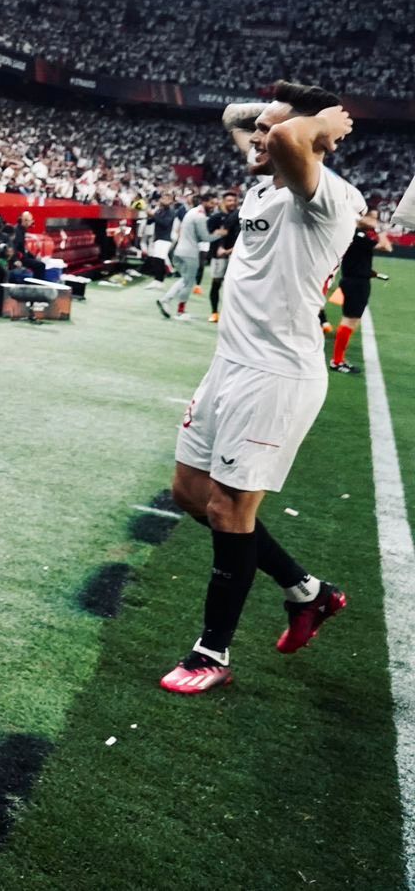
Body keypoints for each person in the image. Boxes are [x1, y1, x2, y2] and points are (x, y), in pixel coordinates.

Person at [161, 84, 362, 695]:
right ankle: (308, 592)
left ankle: (211, 652)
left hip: (276, 375)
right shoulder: (265, 184)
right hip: (230, 365)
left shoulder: (325, 197)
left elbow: (289, 136)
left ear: (308, 140)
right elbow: (236, 118)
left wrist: (322, 123)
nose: (256, 139)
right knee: (191, 494)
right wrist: (272, 116)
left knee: (230, 509)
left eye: (269, 132)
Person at [328, 207, 385, 375]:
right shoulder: (358, 235)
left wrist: (368, 271)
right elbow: (386, 246)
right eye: (372, 218)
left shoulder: (353, 234)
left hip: (353, 280)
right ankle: (337, 361)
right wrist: (380, 229)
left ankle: (338, 359)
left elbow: (355, 260)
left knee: (351, 320)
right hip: (356, 283)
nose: (374, 221)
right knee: (349, 321)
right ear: (362, 218)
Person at [158, 190, 215, 320]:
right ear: (204, 202)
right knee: (188, 282)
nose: (213, 206)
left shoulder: (191, 212)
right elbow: (204, 237)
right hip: (189, 252)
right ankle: (179, 310)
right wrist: (220, 234)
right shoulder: (199, 215)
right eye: (212, 203)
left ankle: (166, 300)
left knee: (185, 279)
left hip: (180, 250)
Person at [205, 188, 240, 323]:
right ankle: (214, 312)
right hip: (219, 256)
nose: (232, 203)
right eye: (229, 200)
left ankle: (230, 315)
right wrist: (218, 241)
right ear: (223, 202)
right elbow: (207, 234)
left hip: (235, 256)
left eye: (234, 200)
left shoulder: (240, 216)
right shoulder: (216, 217)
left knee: (233, 286)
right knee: (216, 283)